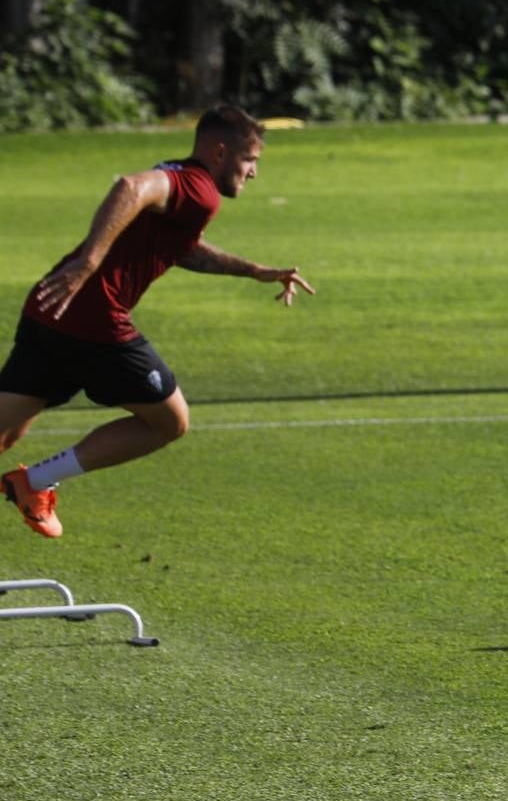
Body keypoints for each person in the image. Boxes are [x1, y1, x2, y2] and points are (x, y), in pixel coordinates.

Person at [0, 104, 314, 538]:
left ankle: (30, 483)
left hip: (51, 306)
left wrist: (255, 270)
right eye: (250, 160)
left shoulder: (185, 185)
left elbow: (184, 249)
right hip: (95, 321)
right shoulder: (198, 187)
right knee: (169, 422)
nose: (254, 173)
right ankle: (34, 482)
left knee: (5, 432)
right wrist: (91, 261)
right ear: (221, 152)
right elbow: (131, 187)